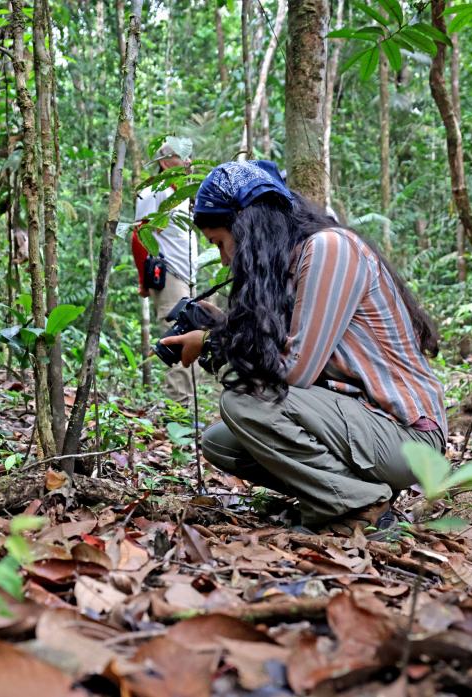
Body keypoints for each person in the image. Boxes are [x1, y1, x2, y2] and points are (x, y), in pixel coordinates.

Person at [160, 160, 446, 536]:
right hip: (363, 424)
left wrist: (215, 341)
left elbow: (295, 371)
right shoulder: (292, 266)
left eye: (220, 243)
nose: (226, 259)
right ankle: (349, 499)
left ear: (248, 229)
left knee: (244, 403)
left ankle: (363, 506)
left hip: (407, 435)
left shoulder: (330, 249)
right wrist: (223, 327)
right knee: (221, 442)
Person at [132, 140, 198, 406]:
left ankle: (188, 408)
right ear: (164, 162)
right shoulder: (152, 190)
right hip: (169, 274)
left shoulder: (180, 192)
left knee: (193, 338)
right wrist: (143, 281)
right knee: (177, 338)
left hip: (187, 276)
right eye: (182, 157)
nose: (188, 162)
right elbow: (140, 234)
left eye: (189, 156)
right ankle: (179, 412)